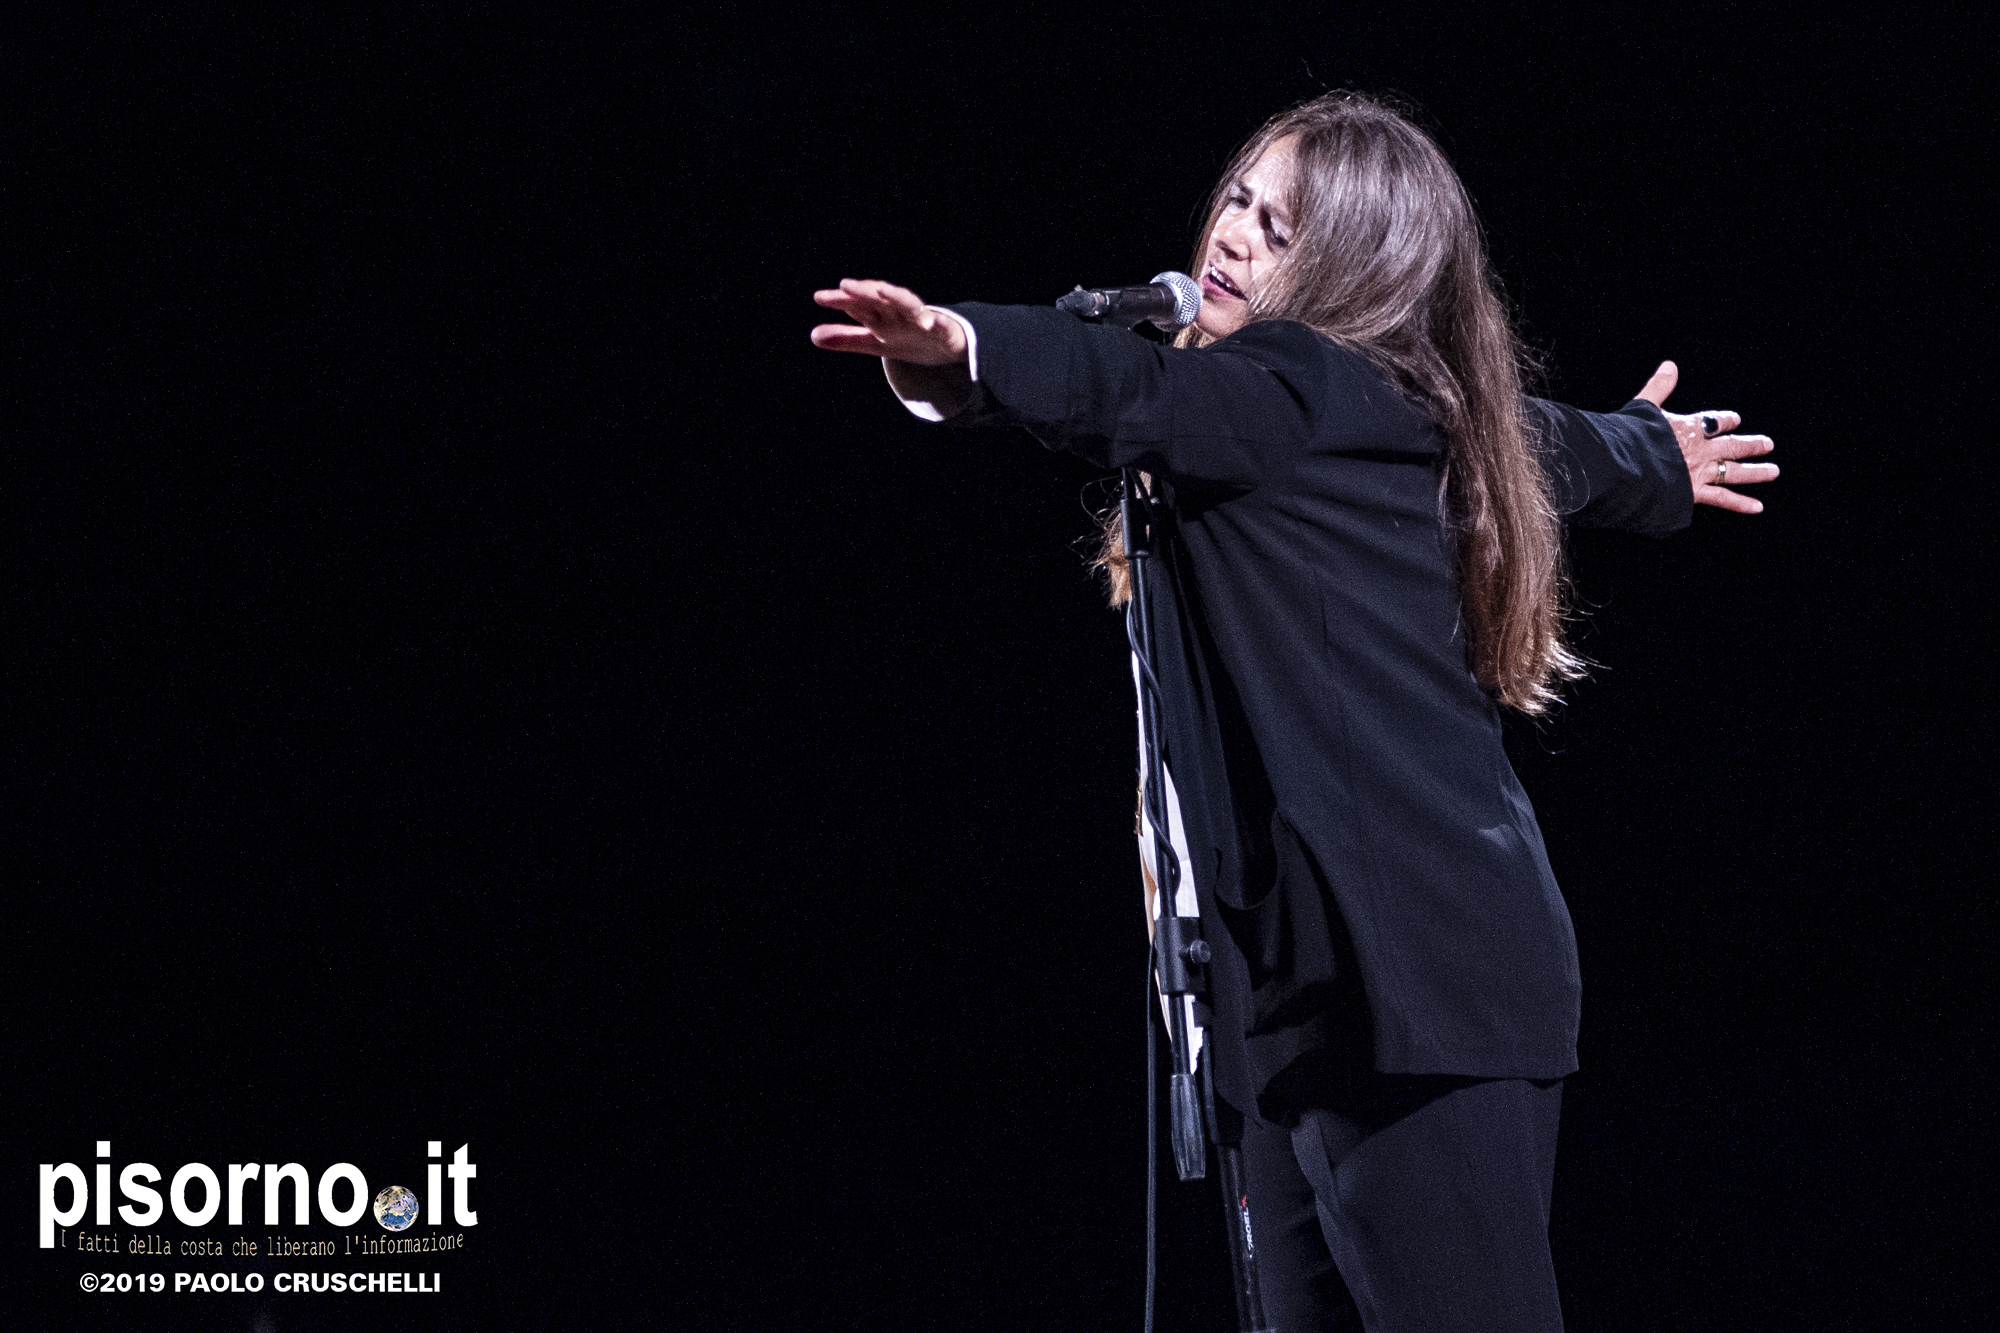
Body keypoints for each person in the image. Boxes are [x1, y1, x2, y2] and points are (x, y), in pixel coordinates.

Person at [809, 92, 1775, 1333]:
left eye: (1280, 230)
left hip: (1418, 988)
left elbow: (1120, 384)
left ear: (1352, 270)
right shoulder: (1382, 408)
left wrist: (960, 343)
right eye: (1238, 201)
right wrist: (1646, 454)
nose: (1232, 235)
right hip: (1301, 996)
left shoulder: (1295, 389)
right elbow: (1542, 440)